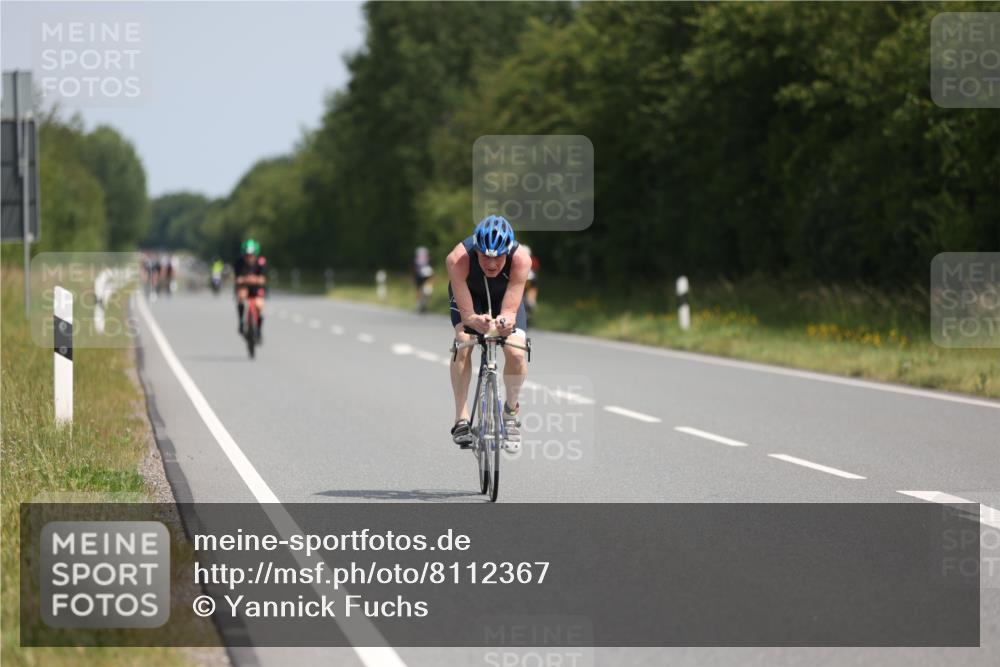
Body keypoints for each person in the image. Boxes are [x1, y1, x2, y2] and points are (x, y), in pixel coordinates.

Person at [446, 215, 531, 451]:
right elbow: (467, 316)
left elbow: (510, 312)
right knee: (464, 340)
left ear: (508, 252)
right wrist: (474, 320)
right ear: (476, 251)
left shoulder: (522, 259)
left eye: (498, 258)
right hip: (470, 298)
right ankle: (461, 419)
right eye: (484, 257)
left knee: (515, 351)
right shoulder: (458, 259)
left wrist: (504, 322)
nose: (491, 264)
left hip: (503, 297)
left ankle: (510, 413)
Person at [234, 239, 267, 341]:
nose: (249, 258)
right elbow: (237, 279)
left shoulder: (261, 262)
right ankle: (241, 322)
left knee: (259, 304)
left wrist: (253, 279)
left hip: (256, 288)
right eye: (247, 255)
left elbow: (262, 280)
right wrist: (244, 280)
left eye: (251, 255)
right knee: (241, 296)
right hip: (244, 286)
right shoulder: (239, 262)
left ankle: (258, 329)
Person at [413, 246, 434, 313]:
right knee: (422, 292)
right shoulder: (417, 261)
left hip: (423, 277)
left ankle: (421, 305)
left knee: (424, 292)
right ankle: (420, 305)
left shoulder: (416, 260)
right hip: (422, 277)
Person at [521, 244, 540, 317]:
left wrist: (532, 300)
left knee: (530, 303)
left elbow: (533, 287)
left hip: (525, 293)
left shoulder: (531, 273)